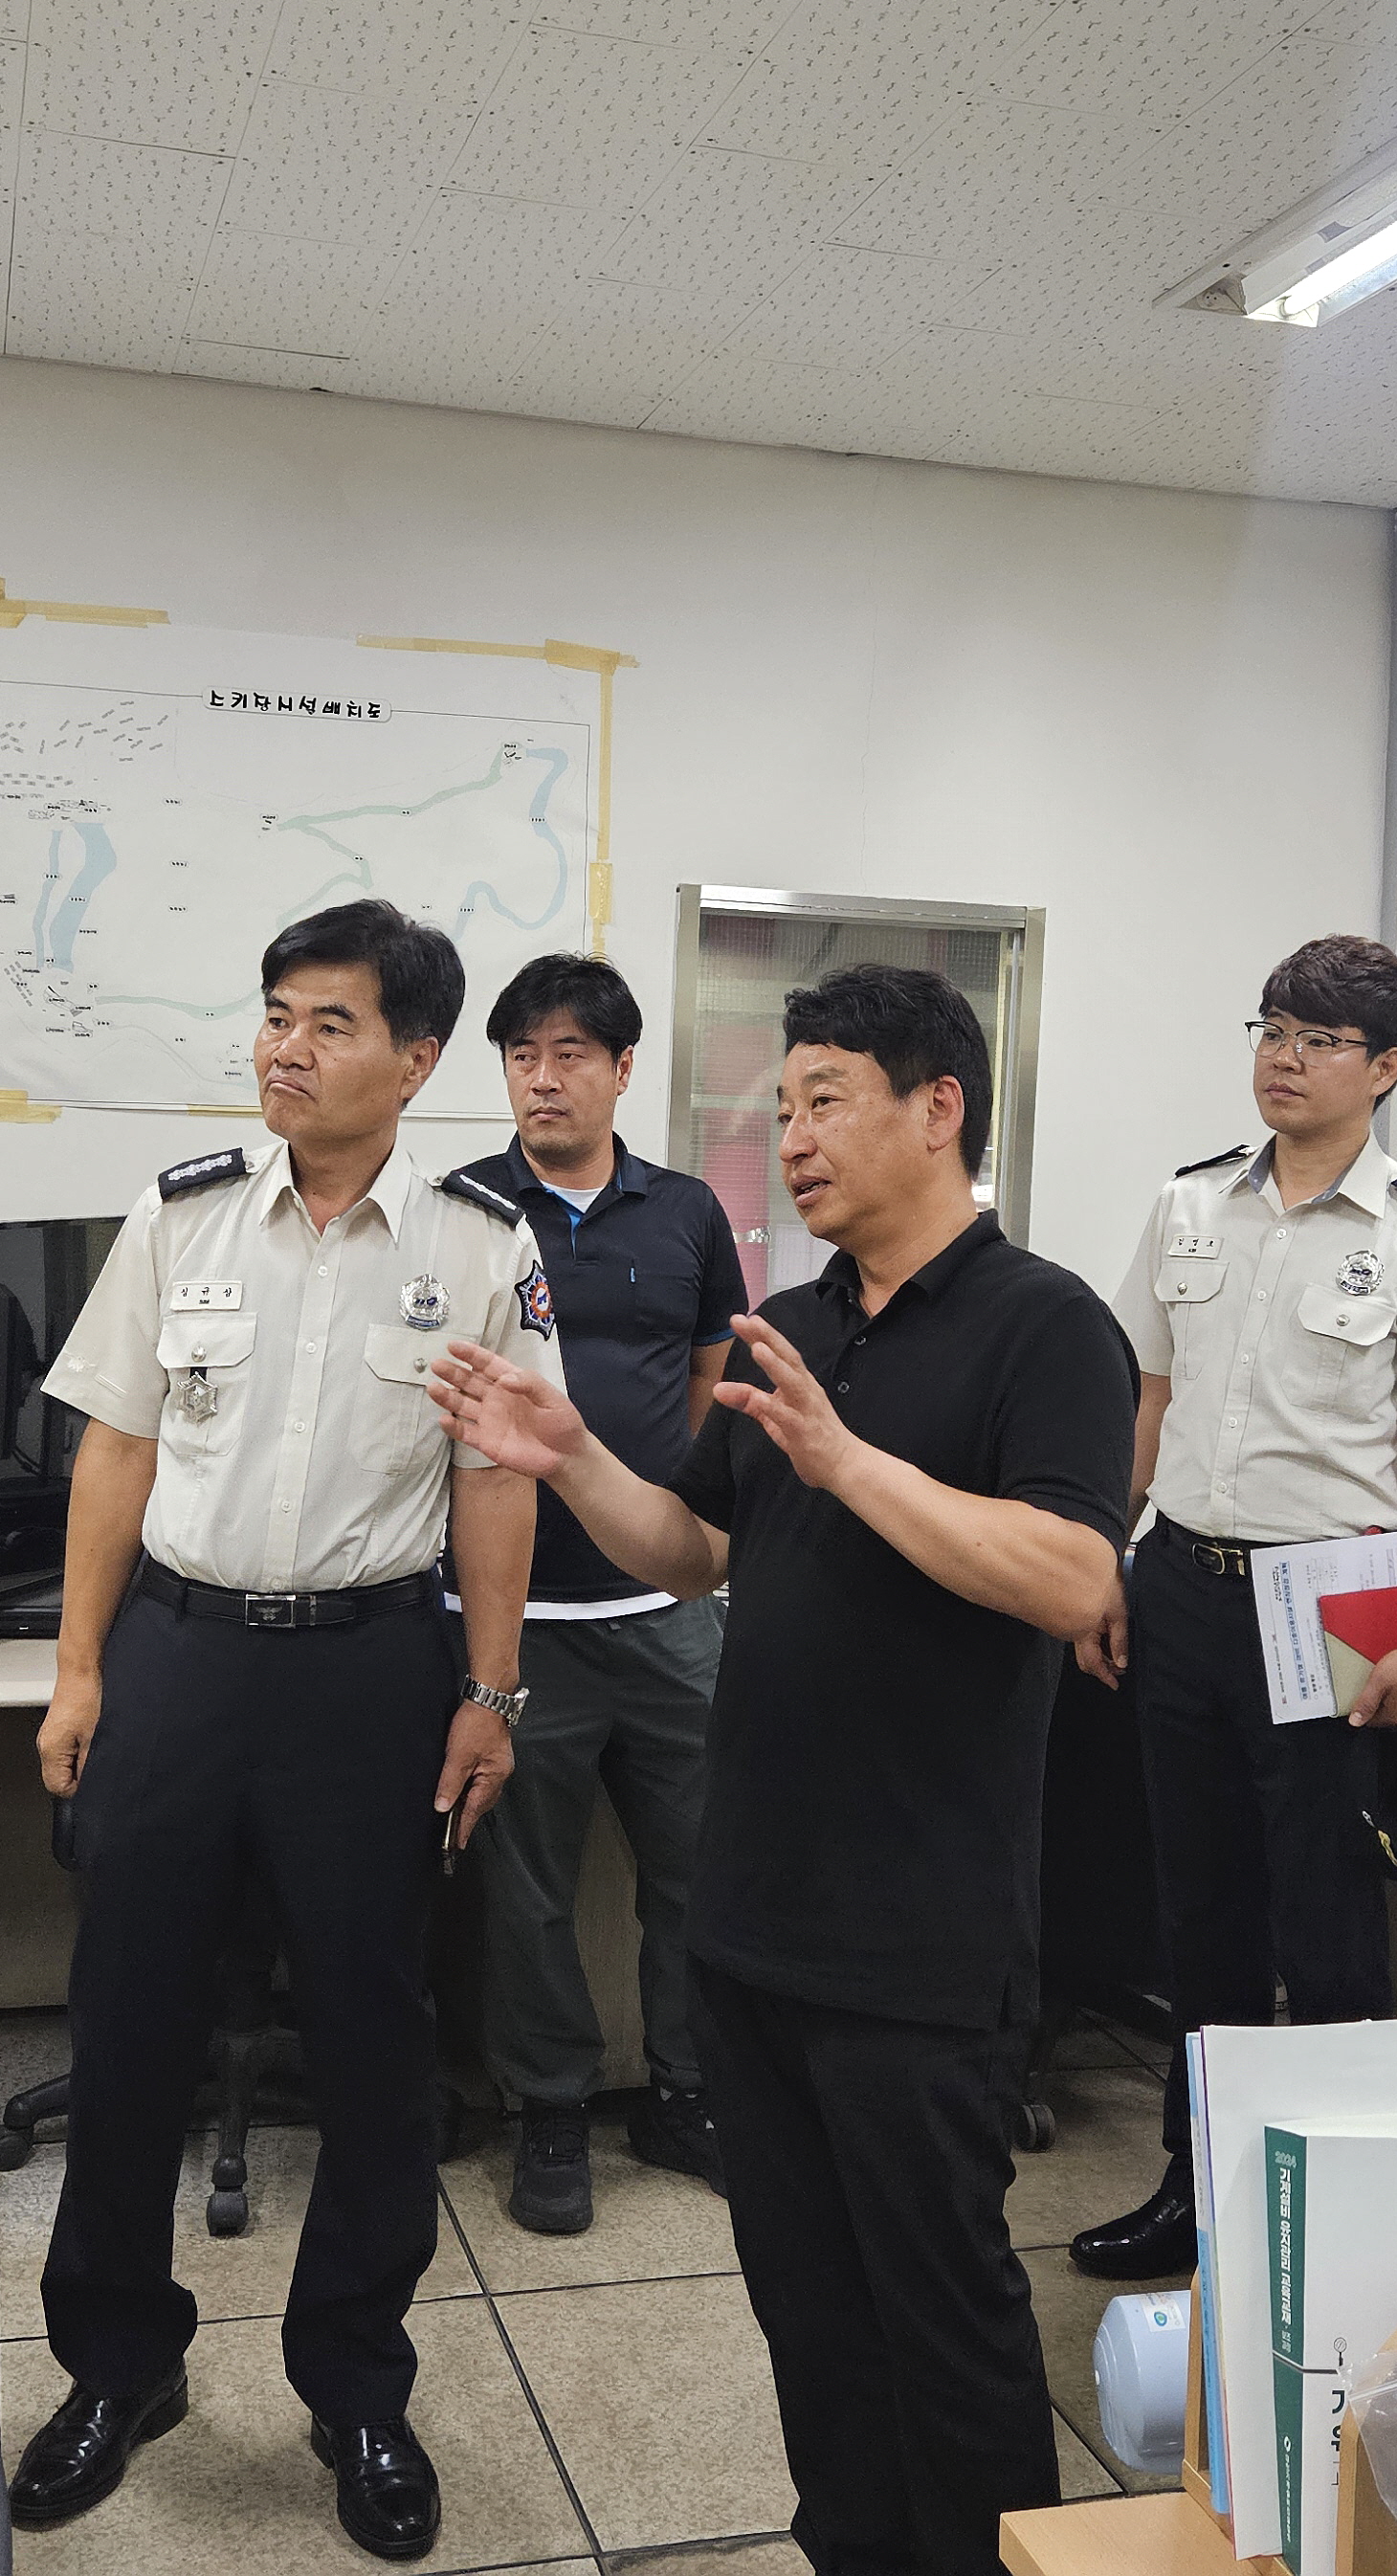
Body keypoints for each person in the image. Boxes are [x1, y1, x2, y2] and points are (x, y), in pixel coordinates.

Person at [425, 964, 1135, 2576]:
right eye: (781, 1107)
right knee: (807, 2310)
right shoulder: (795, 1328)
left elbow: (1073, 1577)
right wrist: (571, 1455)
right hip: (754, 1917)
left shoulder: (1046, 1324)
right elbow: (692, 1548)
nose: (790, 1139)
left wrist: (850, 1461)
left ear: (939, 1109)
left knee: (941, 2312)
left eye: (825, 1102)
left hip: (918, 1933)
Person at [14, 898, 558, 2563]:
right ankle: (120, 2365)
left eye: (329, 1022)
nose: (286, 1049)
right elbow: (116, 1448)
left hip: (369, 1674)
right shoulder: (181, 1215)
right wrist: (80, 1670)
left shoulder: (482, 1246)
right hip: (180, 1658)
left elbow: (496, 1482)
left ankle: (358, 2388)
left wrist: (489, 1691)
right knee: (129, 2020)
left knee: (379, 2041)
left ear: (415, 1058)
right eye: (274, 1014)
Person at [1071, 933, 1397, 2283]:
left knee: (1324, 1916)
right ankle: (1196, 2186)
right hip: (1181, 1583)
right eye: (1271, 1029)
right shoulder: (1191, 1204)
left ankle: (1341, 2212)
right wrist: (1101, 1562)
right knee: (1197, 1910)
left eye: (1319, 1040)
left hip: (1328, 1609)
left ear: (1385, 1068)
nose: (1285, 1058)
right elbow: (1145, 1399)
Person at [455, 952, 749, 2233]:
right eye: (522, 1055)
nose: (544, 1077)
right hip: (522, 1621)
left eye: (570, 1053)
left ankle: (686, 2093)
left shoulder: (686, 1212)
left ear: (624, 1069)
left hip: (670, 1615)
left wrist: (675, 1522)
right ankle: (553, 2109)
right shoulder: (463, 1210)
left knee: (700, 1870)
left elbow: (708, 1378)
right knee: (526, 1892)